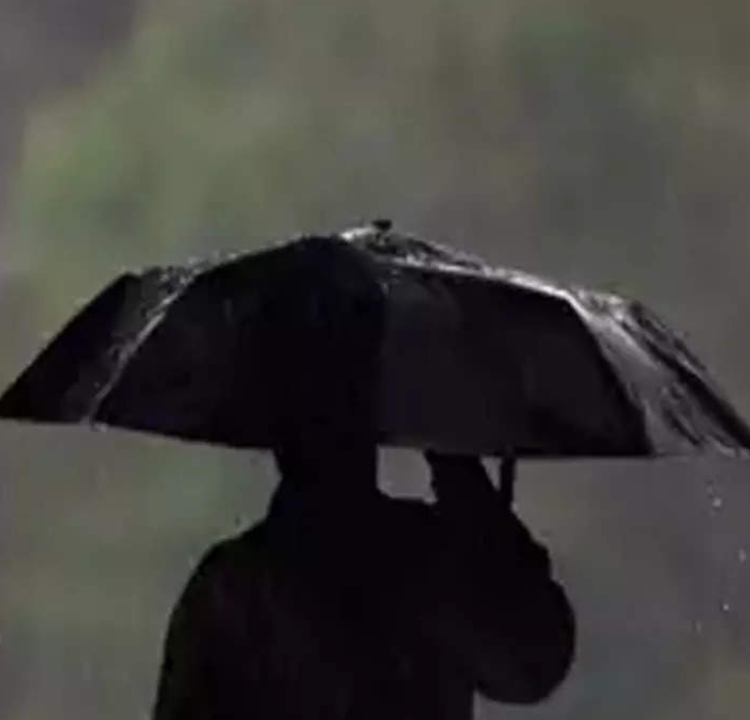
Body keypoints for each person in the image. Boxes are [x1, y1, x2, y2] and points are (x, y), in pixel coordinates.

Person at [152, 243, 575, 719]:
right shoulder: (425, 559)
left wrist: (464, 482)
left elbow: (527, 662)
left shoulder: (232, 589)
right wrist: (458, 466)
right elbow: (526, 662)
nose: (329, 408)